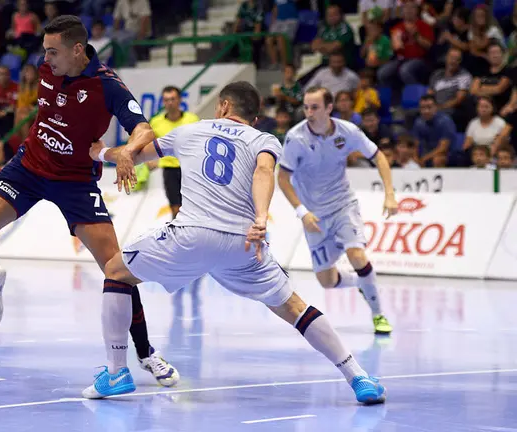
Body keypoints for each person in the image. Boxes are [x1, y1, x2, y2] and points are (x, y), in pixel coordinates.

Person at [81, 81, 387, 406]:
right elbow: (264, 172)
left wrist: (101, 152)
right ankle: (358, 377)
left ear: (224, 106)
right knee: (295, 308)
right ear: (253, 119)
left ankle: (116, 372)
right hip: (242, 244)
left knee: (116, 271)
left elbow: (135, 156)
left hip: (191, 234)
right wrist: (261, 217)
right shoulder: (264, 139)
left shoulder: (191, 130)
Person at [0, 15, 179, 387]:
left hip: (75, 181)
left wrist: (127, 150)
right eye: (45, 51)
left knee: (117, 267)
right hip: (27, 167)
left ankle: (145, 353)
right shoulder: (46, 69)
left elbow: (143, 128)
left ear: (78, 50)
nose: (46, 59)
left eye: (53, 51)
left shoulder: (106, 85)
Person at [277, 87, 397, 335]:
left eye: (315, 107)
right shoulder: (295, 138)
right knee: (327, 281)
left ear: (329, 108)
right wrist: (302, 212)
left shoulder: (348, 132)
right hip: (315, 217)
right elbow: (283, 178)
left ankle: (378, 316)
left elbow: (379, 157)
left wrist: (390, 194)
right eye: (306, 107)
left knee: (357, 256)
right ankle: (363, 284)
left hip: (343, 206)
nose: (309, 113)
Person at [148, 86, 200, 218]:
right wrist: (150, 159)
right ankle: (178, 233)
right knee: (175, 207)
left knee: (191, 206)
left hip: (189, 169)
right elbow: (150, 143)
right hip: (169, 169)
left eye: (172, 99)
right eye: (166, 100)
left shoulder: (192, 119)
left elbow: (200, 142)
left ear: (179, 100)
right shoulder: (156, 122)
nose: (169, 103)